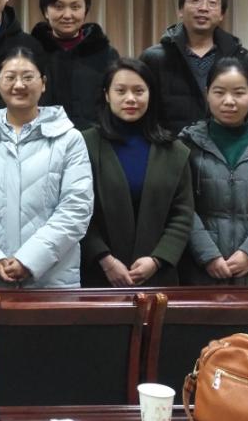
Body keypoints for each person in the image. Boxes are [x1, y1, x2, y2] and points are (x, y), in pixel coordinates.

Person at [0, 47, 93, 288]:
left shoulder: (69, 139)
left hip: (52, 281)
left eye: (27, 77)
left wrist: (29, 260)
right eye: (10, 77)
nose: (19, 85)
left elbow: (76, 208)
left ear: (43, 83)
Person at [179, 58, 248, 295]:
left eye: (239, 93)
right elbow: (181, 206)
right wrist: (207, 255)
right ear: (207, 93)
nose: (229, 101)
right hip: (199, 272)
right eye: (219, 92)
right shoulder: (186, 146)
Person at [79, 58, 194, 288]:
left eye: (139, 91)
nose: (130, 98)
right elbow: (76, 210)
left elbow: (182, 214)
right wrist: (105, 260)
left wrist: (157, 260)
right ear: (107, 95)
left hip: (158, 277)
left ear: (150, 95)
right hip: (97, 276)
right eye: (120, 91)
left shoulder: (174, 150)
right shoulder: (84, 145)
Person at [140, 0, 248, 135]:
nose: (203, 8)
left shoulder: (240, 57)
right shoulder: (154, 58)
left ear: (222, 14)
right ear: (180, 10)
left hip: (226, 147)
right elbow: (144, 113)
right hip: (170, 147)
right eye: (195, 1)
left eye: (212, 3)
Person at [30, 0, 118, 128]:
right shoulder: (30, 53)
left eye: (75, 7)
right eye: (59, 7)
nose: (67, 15)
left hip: (93, 138)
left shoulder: (106, 54)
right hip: (40, 137)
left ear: (85, 11)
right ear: (46, 11)